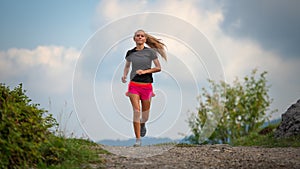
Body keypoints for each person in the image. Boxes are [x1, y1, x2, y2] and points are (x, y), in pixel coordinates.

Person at [121, 29, 167, 147]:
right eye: (138, 36)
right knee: (136, 111)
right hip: (134, 86)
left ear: (145, 39)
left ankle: (143, 124)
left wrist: (145, 71)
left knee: (145, 116)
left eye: (142, 36)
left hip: (147, 86)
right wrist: (125, 75)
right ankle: (138, 139)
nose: (140, 37)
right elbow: (127, 66)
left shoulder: (151, 53)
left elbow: (158, 68)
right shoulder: (130, 53)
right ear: (134, 39)